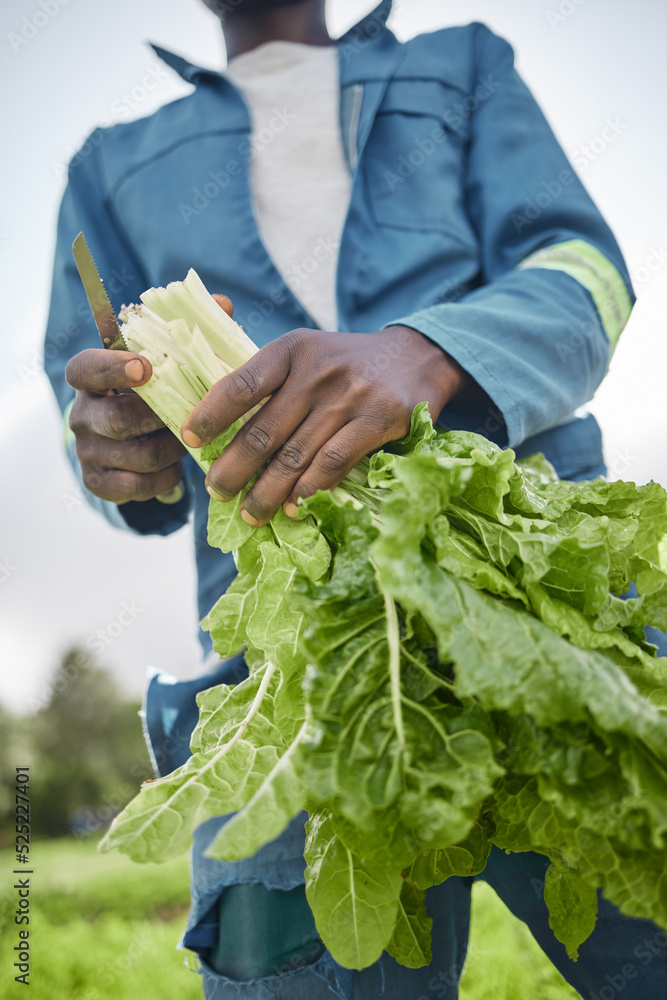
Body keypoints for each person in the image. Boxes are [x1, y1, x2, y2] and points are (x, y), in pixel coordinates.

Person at [45, 1, 666, 997]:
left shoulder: (461, 69)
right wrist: (119, 451)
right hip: (294, 671)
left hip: (545, 593)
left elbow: (586, 274)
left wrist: (426, 350)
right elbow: (91, 410)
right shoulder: (110, 166)